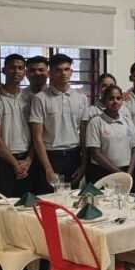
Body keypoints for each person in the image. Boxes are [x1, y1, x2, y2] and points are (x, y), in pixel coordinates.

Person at [30, 54, 89, 189]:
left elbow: (84, 133)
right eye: (58, 70)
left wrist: (84, 164)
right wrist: (48, 169)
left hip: (73, 156)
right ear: (50, 73)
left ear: (71, 72)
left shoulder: (81, 98)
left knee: (71, 197)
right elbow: (37, 137)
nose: (63, 73)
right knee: (48, 198)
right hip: (50, 156)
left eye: (66, 69)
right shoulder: (40, 98)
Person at [0, 54, 33, 198]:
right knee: (3, 205)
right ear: (4, 70)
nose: (16, 71)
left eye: (20, 68)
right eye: (12, 67)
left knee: (28, 206)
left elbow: (37, 133)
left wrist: (29, 160)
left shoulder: (29, 98)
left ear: (24, 72)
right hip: (3, 162)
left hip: (28, 162)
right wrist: (15, 164)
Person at [85, 85, 135, 184]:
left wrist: (129, 173)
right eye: (111, 98)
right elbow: (95, 153)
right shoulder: (96, 122)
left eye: (118, 98)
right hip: (102, 172)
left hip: (127, 171)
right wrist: (118, 173)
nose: (115, 101)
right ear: (104, 101)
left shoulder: (127, 121)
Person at [23, 55, 51, 193]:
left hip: (49, 154)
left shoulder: (55, 95)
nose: (37, 73)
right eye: (32, 70)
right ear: (26, 73)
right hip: (24, 155)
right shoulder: (19, 96)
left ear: (48, 72)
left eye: (41, 70)